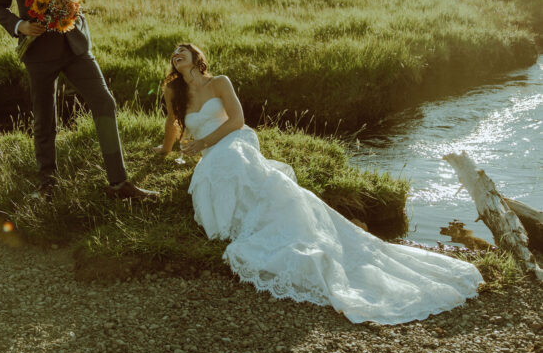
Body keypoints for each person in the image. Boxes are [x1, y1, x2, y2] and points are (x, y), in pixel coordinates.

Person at [155, 43, 483, 325]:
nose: (176, 54)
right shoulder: (175, 91)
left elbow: (238, 121)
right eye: (173, 53)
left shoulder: (219, 82)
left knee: (238, 162)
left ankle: (263, 213)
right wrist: (166, 150)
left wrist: (202, 143)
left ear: (196, 57)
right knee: (215, 171)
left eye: (182, 50)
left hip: (235, 139)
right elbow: (173, 122)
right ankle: (243, 220)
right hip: (210, 153)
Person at [0, 0, 156, 202]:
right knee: (45, 118)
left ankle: (119, 185)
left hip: (76, 44)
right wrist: (20, 25)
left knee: (104, 103)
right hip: (38, 51)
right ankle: (48, 186)